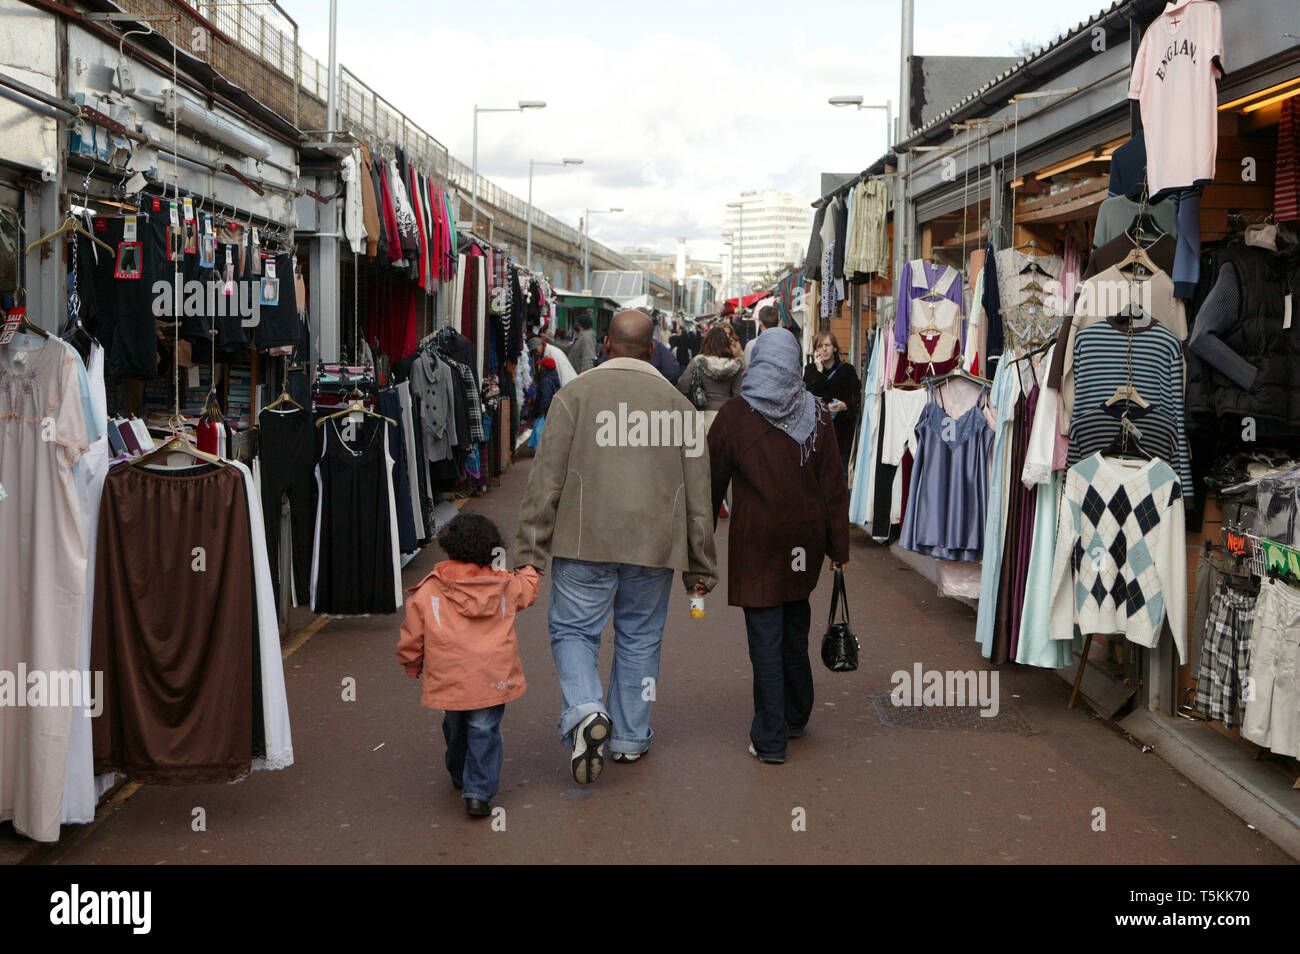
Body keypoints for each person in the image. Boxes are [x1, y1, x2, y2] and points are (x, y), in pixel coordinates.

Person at [515, 310, 717, 784]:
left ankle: (586, 709)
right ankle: (628, 736)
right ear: (652, 350)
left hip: (583, 540)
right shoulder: (679, 407)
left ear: (605, 344)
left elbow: (545, 482)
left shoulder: (574, 395)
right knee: (640, 638)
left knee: (573, 632)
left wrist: (530, 553)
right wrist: (699, 566)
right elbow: (699, 496)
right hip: (655, 544)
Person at [707, 328, 850, 764]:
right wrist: (838, 550)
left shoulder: (734, 414)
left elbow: (709, 485)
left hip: (757, 542)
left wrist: (700, 547)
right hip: (802, 541)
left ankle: (771, 738)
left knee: (764, 636)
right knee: (794, 626)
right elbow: (833, 488)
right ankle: (796, 713)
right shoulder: (818, 415)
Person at [396, 514, 541, 818]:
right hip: (493, 676)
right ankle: (478, 792)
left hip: (450, 676)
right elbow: (528, 589)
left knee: (455, 723)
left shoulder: (430, 590)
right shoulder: (505, 585)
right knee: (484, 728)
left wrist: (412, 664)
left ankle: (459, 771)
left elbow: (413, 635)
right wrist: (530, 566)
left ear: (449, 548)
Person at [803, 331, 861, 474]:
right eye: (820, 346)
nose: (824, 349)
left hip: (842, 432)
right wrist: (819, 371)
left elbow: (857, 398)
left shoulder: (847, 370)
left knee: (841, 474)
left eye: (827, 345)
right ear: (816, 350)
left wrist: (845, 405)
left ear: (834, 347)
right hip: (818, 432)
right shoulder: (810, 371)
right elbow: (808, 398)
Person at [676, 326, 744, 431]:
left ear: (706, 341)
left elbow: (683, 387)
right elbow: (738, 394)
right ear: (726, 343)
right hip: (726, 417)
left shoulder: (697, 362)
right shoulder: (735, 365)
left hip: (701, 415)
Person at [528, 356, 560, 450]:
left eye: (541, 366)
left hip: (546, 411)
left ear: (545, 368)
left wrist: (541, 411)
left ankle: (542, 450)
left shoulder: (545, 380)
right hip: (552, 410)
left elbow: (545, 397)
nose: (540, 368)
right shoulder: (554, 377)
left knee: (541, 432)